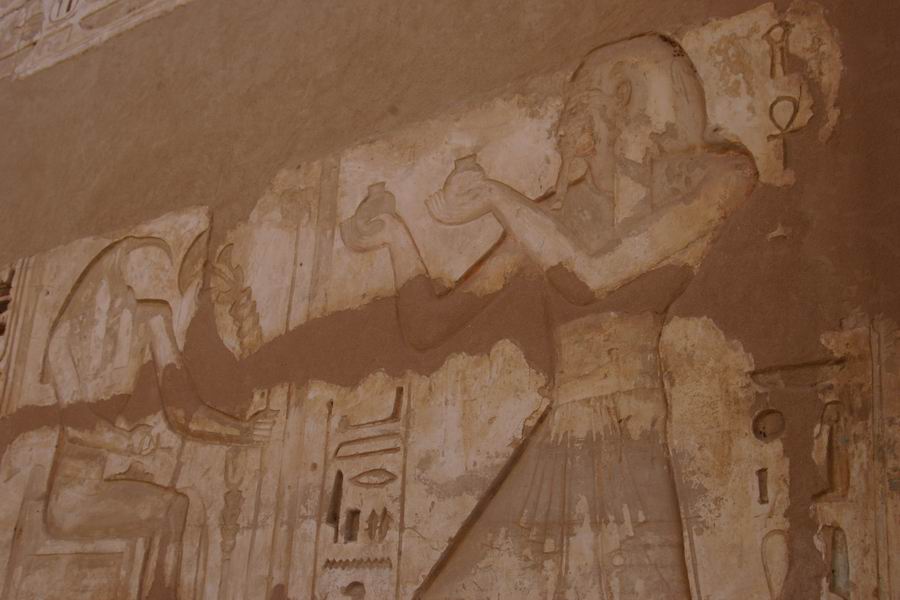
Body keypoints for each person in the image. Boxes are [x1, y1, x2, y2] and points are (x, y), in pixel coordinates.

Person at [341, 34, 756, 599]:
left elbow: (591, 276)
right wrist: (393, 235)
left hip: (631, 427)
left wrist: (497, 196)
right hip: (562, 432)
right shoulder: (550, 217)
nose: (562, 124)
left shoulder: (713, 177)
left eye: (580, 103)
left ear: (622, 102)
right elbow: (427, 326)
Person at [42, 230, 276, 599]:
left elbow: (182, 408)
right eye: (133, 288)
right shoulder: (66, 338)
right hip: (71, 500)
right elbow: (76, 425)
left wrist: (242, 431)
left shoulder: (150, 318)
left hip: (110, 478)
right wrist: (126, 443)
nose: (142, 301)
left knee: (176, 509)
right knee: (172, 510)